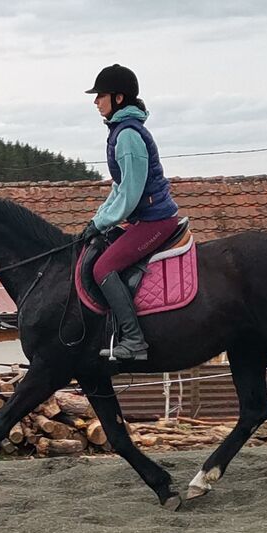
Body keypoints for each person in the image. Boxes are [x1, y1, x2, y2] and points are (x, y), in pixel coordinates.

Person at [81, 64, 180, 361]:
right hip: (144, 218)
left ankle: (135, 340)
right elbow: (119, 188)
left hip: (155, 220)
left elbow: (131, 194)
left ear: (119, 98)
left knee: (103, 268)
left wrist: (100, 222)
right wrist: (97, 219)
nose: (96, 102)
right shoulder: (121, 132)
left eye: (101, 96)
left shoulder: (128, 136)